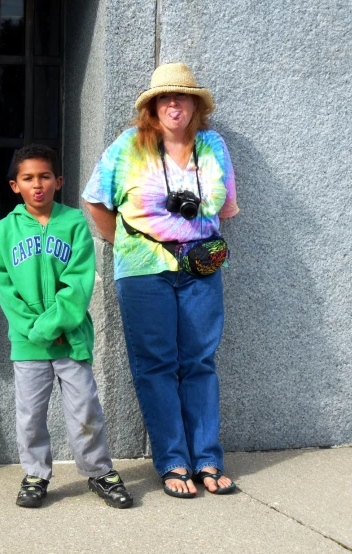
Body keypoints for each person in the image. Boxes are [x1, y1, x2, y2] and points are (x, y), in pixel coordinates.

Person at [82, 63, 239, 498]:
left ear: (195, 105)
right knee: (156, 367)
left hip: (200, 271)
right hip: (143, 272)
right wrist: (127, 243)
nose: (174, 104)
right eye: (165, 97)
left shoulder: (212, 145)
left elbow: (225, 210)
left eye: (182, 96)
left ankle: (207, 457)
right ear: (152, 106)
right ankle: (172, 461)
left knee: (200, 363)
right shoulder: (130, 146)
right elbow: (95, 201)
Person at [0, 144, 133, 509]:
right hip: (29, 342)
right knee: (30, 413)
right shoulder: (3, 232)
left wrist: (55, 323)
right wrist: (35, 329)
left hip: (71, 338)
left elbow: (80, 282)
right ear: (14, 186)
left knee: (85, 408)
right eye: (28, 178)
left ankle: (98, 472)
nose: (37, 185)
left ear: (59, 181)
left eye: (44, 177)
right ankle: (36, 474)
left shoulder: (73, 223)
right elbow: (5, 289)